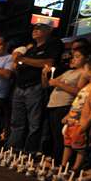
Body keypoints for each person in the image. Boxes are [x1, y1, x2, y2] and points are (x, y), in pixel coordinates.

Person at [7, 20, 64, 152]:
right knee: (17, 121)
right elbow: (18, 64)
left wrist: (23, 60)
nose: (35, 30)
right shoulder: (31, 48)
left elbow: (48, 63)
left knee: (35, 122)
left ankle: (30, 151)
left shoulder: (53, 44)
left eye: (40, 28)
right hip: (20, 86)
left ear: (49, 30)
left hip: (36, 86)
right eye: (34, 28)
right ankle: (13, 149)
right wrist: (17, 64)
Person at [41, 46, 91, 163]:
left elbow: (79, 92)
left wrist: (59, 83)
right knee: (54, 135)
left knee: (62, 136)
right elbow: (46, 85)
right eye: (73, 57)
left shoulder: (84, 72)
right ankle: (54, 158)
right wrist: (44, 74)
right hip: (53, 105)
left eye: (77, 57)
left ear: (87, 58)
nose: (73, 59)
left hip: (65, 105)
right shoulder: (68, 72)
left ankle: (60, 162)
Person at [62, 58, 91, 170]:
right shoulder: (87, 86)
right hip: (72, 121)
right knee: (68, 144)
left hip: (82, 122)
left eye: (85, 69)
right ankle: (63, 166)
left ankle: (76, 168)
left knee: (81, 147)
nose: (83, 71)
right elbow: (77, 103)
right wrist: (68, 115)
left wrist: (88, 122)